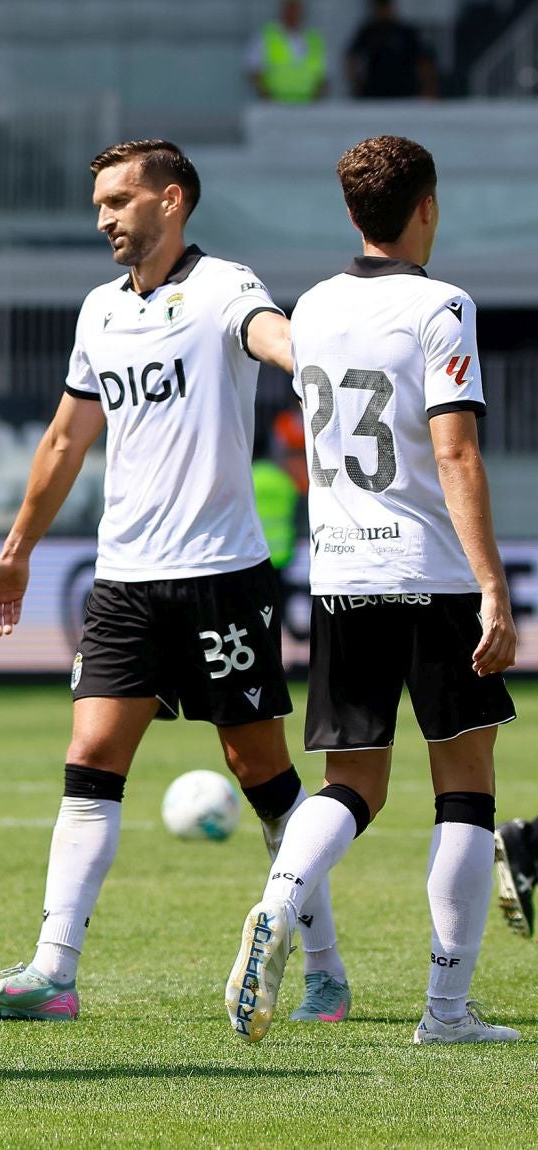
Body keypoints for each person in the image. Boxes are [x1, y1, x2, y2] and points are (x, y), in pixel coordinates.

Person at [0, 140, 350, 1025]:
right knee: (91, 756)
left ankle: (324, 969)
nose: (104, 219)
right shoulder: (99, 311)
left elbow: (270, 335)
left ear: (171, 201)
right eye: (99, 204)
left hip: (220, 577)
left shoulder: (224, 286)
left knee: (261, 771)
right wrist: (17, 549)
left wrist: (312, 355)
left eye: (119, 201)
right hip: (125, 579)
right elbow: (65, 439)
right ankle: (53, 973)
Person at [226, 135, 518, 1046]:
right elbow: (455, 451)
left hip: (341, 573)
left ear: (353, 213)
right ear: (427, 207)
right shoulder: (442, 306)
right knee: (465, 786)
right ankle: (446, 1011)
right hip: (430, 572)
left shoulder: (313, 306)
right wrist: (493, 585)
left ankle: (280, 899)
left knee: (351, 782)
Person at [348, 0, 439, 100]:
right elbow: (351, 57)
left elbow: (423, 61)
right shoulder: (369, 32)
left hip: (406, 94)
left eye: (385, 6)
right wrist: (357, 85)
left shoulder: (405, 32)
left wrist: (428, 87)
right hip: (375, 95)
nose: (383, 11)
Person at [250, 0, 327, 104]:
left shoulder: (314, 40)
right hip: (274, 104)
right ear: (282, 11)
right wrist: (267, 98)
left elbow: (323, 76)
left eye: (296, 10)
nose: (293, 14)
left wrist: (316, 101)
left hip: (307, 105)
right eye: (290, 9)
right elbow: (254, 71)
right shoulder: (266, 37)